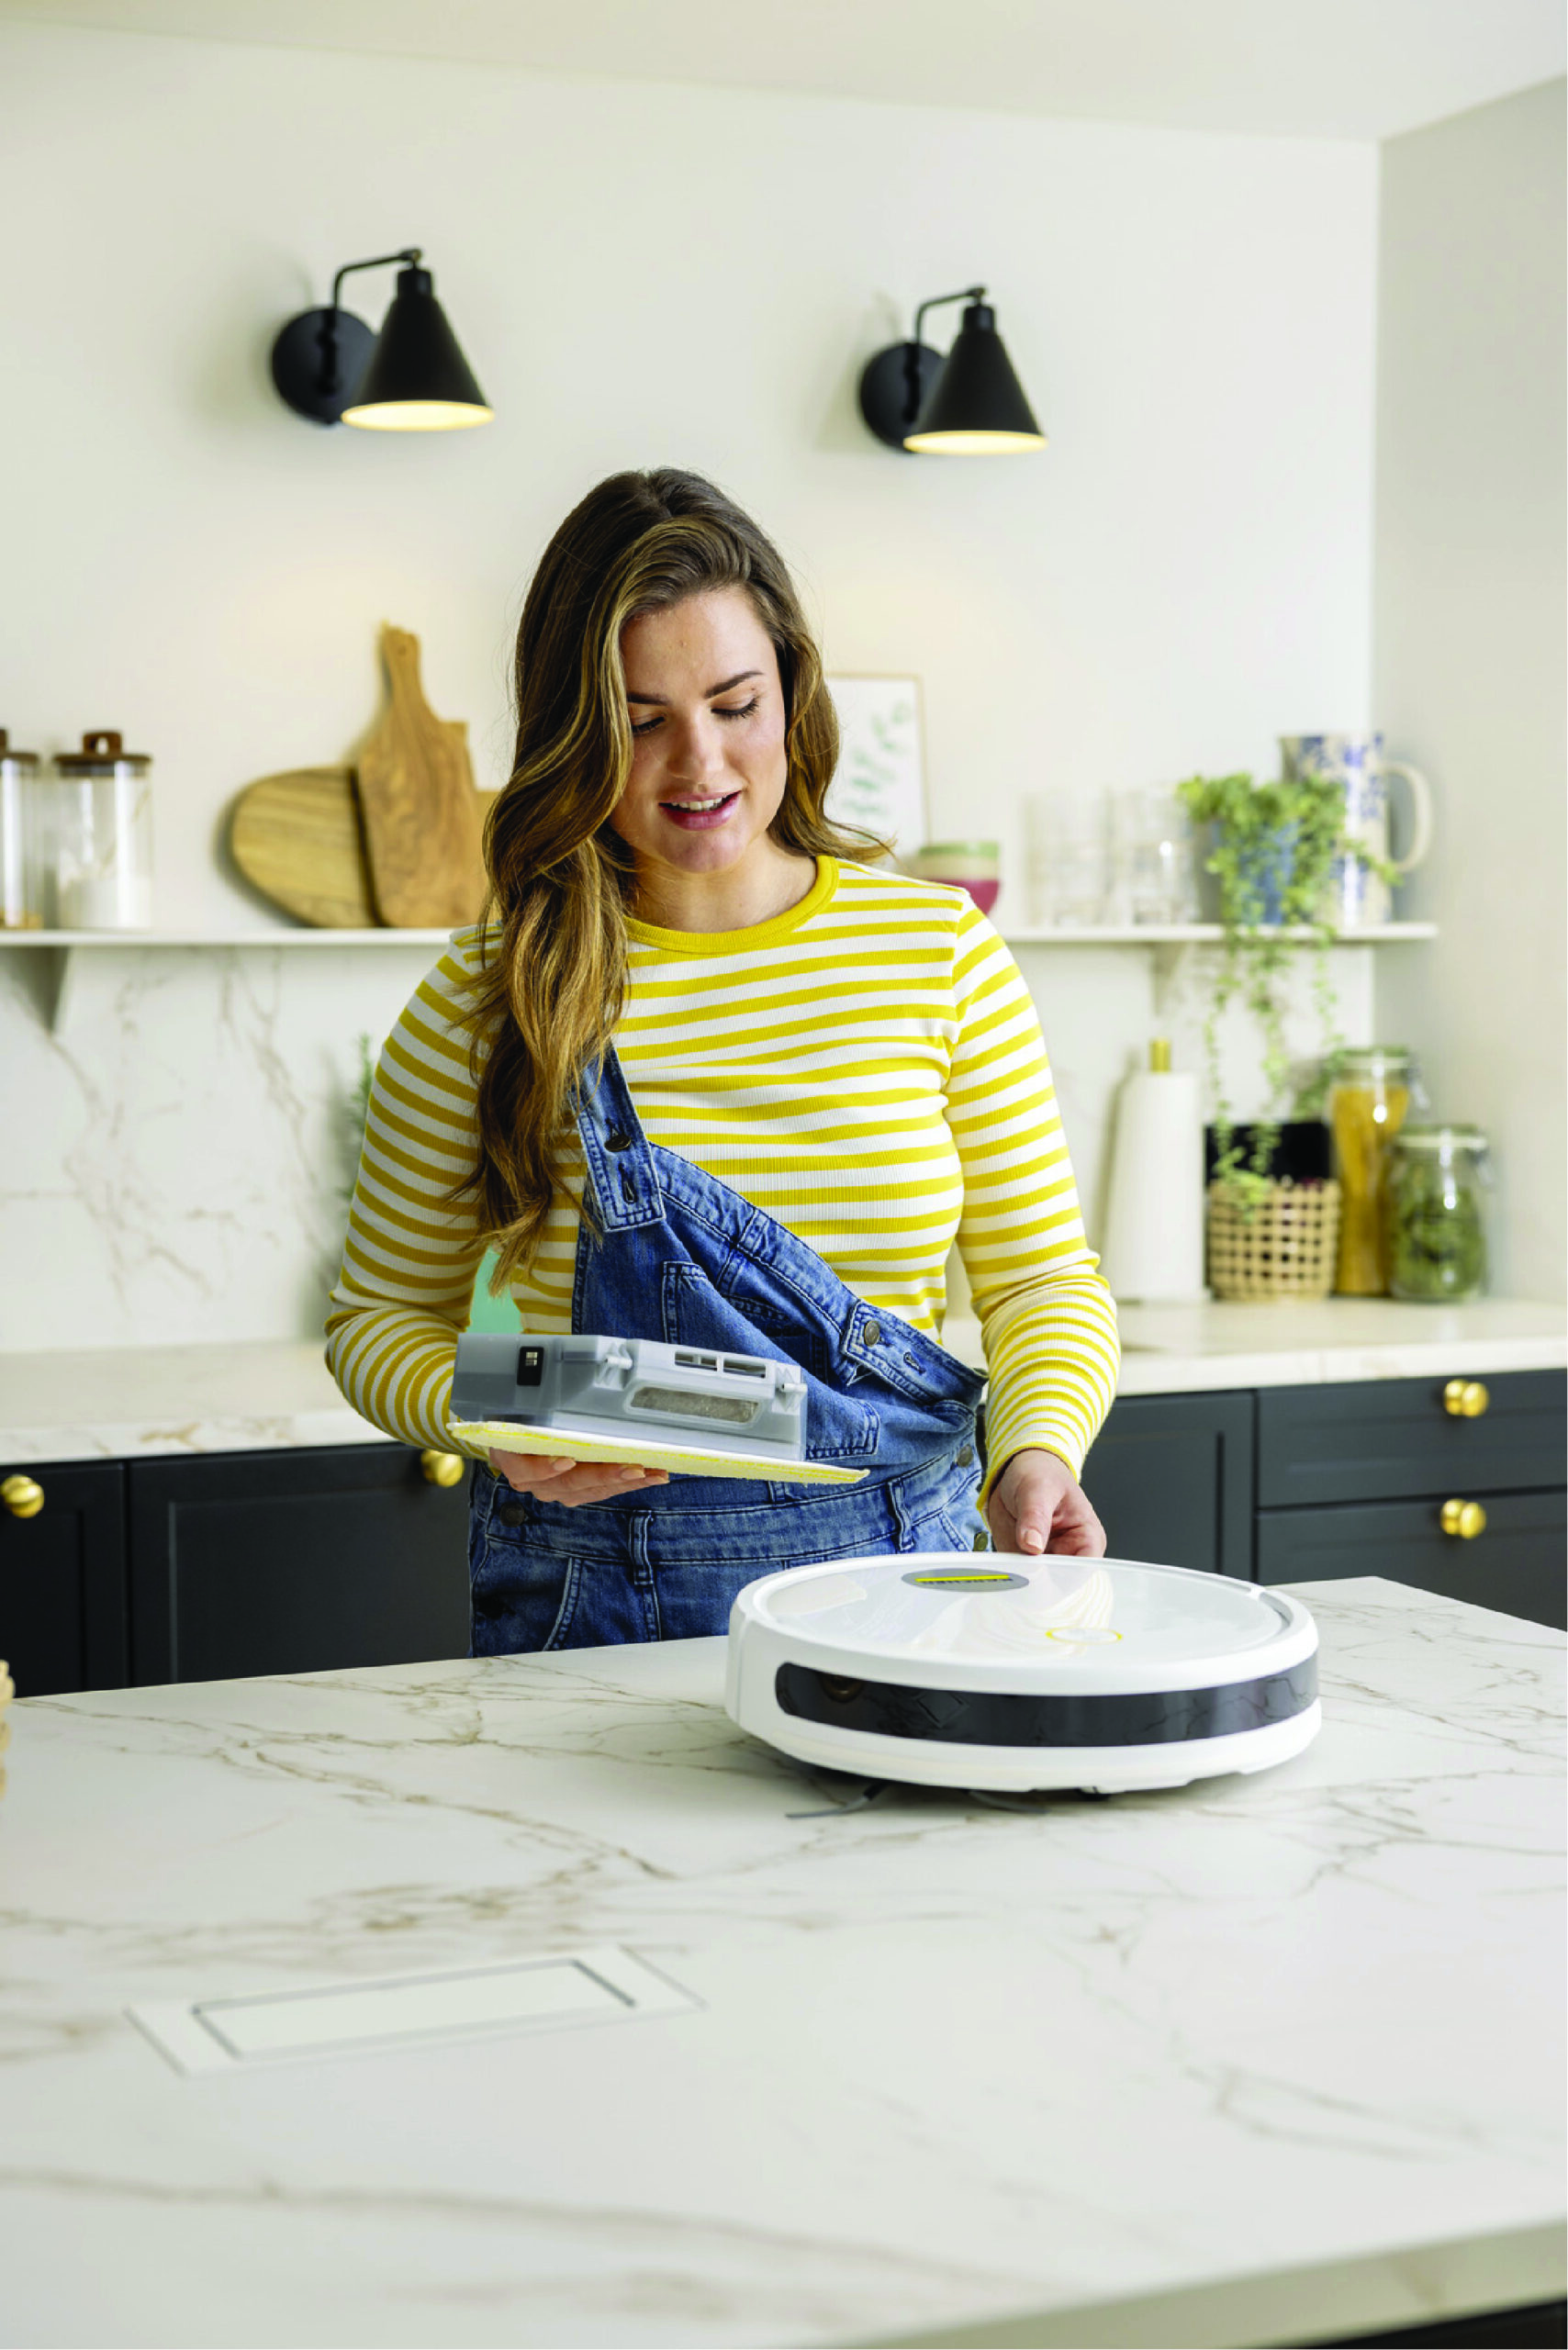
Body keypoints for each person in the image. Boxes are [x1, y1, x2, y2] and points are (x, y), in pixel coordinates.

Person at [327, 468, 1119, 1654]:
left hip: (912, 1584)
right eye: (641, 721)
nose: (699, 764)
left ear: (792, 692)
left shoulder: (937, 953)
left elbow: (1042, 1283)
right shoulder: (493, 994)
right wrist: (499, 1410)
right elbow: (377, 1319)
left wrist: (1036, 1451)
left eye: (736, 704)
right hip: (596, 1603)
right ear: (575, 735)